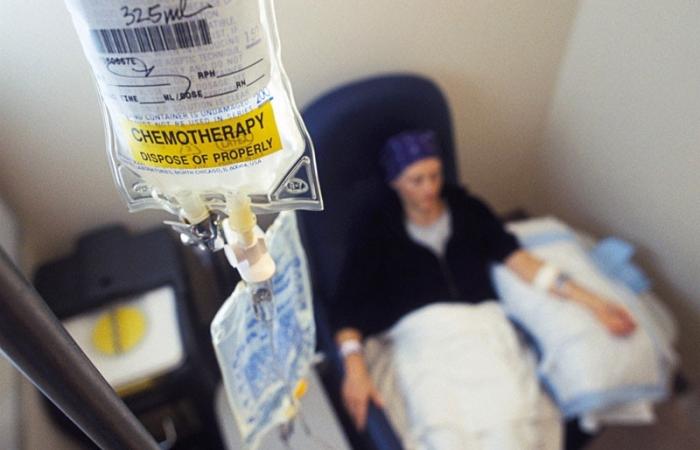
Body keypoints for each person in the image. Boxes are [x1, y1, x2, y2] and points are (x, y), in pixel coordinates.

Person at [331, 130, 637, 435]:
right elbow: (347, 303)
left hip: (484, 328)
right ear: (395, 182)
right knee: (442, 428)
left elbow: (522, 262)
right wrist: (354, 368)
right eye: (417, 180)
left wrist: (595, 303)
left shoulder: (469, 210)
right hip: (424, 335)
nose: (430, 188)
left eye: (435, 176)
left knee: (510, 421)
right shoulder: (375, 229)